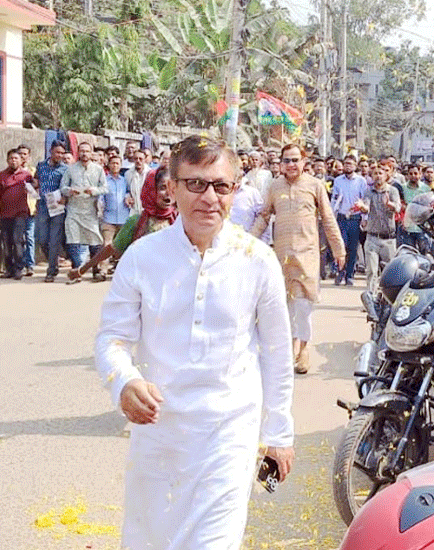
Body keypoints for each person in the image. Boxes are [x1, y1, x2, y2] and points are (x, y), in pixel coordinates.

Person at [94, 136, 295, 550]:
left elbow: (277, 353)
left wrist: (279, 433)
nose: (209, 198)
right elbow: (112, 338)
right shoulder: (142, 257)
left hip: (229, 433)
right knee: (150, 540)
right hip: (159, 432)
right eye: (196, 184)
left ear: (234, 191)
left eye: (221, 186)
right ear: (172, 187)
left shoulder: (257, 260)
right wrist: (124, 382)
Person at [251, 144, 346, 374]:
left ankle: (303, 348)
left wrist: (339, 249)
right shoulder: (275, 186)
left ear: (304, 162)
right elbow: (264, 216)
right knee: (284, 305)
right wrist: (248, 242)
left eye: (295, 160)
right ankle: (290, 347)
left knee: (303, 305)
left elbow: (327, 218)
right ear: (281, 163)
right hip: (282, 255)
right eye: (287, 160)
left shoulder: (315, 185)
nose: (291, 164)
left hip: (307, 254)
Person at [68, 167, 177, 282]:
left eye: (173, 188)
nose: (168, 193)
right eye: (162, 188)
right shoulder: (137, 222)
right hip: (143, 283)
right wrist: (82, 270)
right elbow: (111, 249)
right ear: (151, 190)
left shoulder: (181, 220)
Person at [62, 142, 108, 282]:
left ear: (91, 153)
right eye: (82, 151)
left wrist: (94, 191)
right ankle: (77, 270)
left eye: (87, 151)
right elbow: (63, 187)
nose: (84, 154)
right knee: (73, 239)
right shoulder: (70, 169)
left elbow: (105, 188)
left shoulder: (98, 169)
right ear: (78, 152)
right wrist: (69, 191)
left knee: (95, 241)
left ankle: (95, 270)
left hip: (90, 210)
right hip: (74, 210)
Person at [358, 164, 401, 294]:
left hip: (388, 239)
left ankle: (387, 298)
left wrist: (389, 204)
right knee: (371, 270)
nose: (378, 176)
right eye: (375, 174)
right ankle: (371, 296)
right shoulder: (368, 192)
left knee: (389, 272)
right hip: (372, 237)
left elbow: (398, 208)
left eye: (380, 173)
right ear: (372, 176)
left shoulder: (392, 191)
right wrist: (362, 207)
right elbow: (366, 207)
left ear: (386, 176)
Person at [330, 156, 367, 286]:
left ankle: (350, 275)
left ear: (355, 165)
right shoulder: (338, 180)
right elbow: (334, 200)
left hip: (355, 218)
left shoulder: (361, 181)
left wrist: (364, 218)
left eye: (350, 164)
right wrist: (332, 216)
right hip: (341, 217)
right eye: (345, 163)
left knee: (352, 248)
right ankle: (340, 272)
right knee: (341, 246)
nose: (348, 166)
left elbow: (364, 200)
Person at [34, 142, 68, 283]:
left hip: (57, 208)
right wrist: (33, 185)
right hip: (43, 206)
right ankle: (54, 261)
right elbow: (36, 181)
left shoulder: (65, 169)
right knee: (42, 239)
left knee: (54, 240)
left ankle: (51, 271)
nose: (59, 155)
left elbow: (67, 186)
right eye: (57, 152)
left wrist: (65, 198)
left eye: (62, 153)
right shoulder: (41, 166)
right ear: (51, 151)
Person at [0, 148, 34, 279]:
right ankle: (9, 269)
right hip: (4, 214)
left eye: (16, 158)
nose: (13, 161)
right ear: (7, 160)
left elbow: (34, 190)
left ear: (21, 161)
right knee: (6, 243)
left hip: (20, 214)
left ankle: (19, 268)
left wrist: (33, 186)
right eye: (11, 158)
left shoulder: (26, 176)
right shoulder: (2, 175)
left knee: (17, 241)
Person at [17, 144, 36, 276]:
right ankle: (20, 264)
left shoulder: (33, 171)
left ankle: (30, 265)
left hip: (30, 208)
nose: (23, 156)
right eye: (20, 154)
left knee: (30, 238)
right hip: (17, 210)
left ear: (29, 157)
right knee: (19, 238)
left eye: (25, 154)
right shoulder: (13, 171)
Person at [125, 149, 151, 216]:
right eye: (136, 158)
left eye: (140, 159)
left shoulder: (151, 173)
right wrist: (127, 197)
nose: (138, 161)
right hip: (134, 211)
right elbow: (127, 190)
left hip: (148, 211)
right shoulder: (128, 174)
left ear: (145, 160)